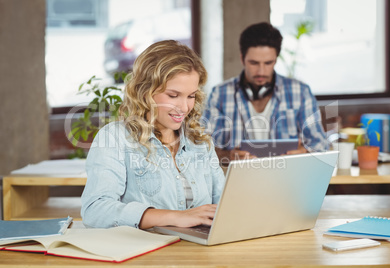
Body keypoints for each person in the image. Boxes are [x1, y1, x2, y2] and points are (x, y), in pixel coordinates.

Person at [81, 40, 225, 229]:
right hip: (144, 254)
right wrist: (175, 217)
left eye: (191, 96)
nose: (184, 107)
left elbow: (223, 206)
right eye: (173, 95)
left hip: (199, 252)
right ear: (145, 92)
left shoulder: (200, 142)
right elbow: (95, 211)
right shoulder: (114, 138)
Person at [203, 22, 328, 164]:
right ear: (242, 58)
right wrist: (228, 155)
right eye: (254, 63)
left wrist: (304, 152)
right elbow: (201, 149)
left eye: (268, 63)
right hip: (239, 182)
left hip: (286, 180)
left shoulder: (300, 92)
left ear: (276, 59)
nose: (261, 72)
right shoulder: (220, 94)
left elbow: (321, 145)